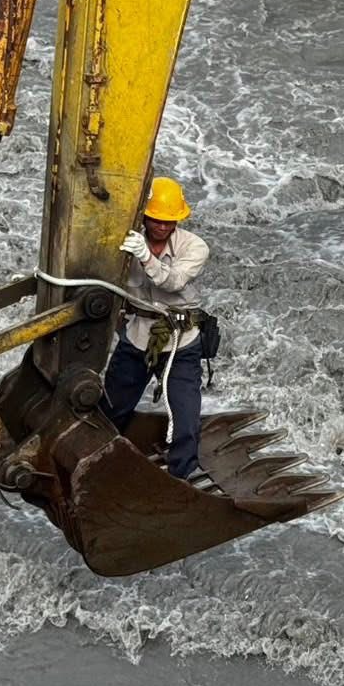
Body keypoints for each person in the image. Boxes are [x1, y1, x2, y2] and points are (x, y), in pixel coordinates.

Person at [99, 176, 210, 480]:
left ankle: (181, 479)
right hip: (137, 338)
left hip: (179, 342)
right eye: (156, 220)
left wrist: (146, 257)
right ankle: (99, 465)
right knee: (110, 409)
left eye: (169, 221)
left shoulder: (195, 247)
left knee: (185, 417)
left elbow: (173, 281)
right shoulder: (126, 241)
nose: (162, 226)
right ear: (145, 216)